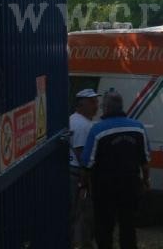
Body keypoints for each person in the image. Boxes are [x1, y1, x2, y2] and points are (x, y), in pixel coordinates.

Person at [80, 90, 150, 249]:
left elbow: (87, 163)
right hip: (130, 186)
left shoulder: (97, 130)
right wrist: (146, 181)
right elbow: (145, 162)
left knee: (104, 227)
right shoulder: (138, 128)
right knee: (128, 226)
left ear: (105, 108)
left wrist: (84, 185)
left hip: (104, 188)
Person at [69, 88, 100, 248]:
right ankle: (83, 243)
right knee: (83, 213)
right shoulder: (82, 125)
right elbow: (83, 156)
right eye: (92, 102)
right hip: (79, 175)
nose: (97, 105)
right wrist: (86, 182)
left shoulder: (78, 121)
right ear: (81, 105)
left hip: (76, 174)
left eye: (96, 101)